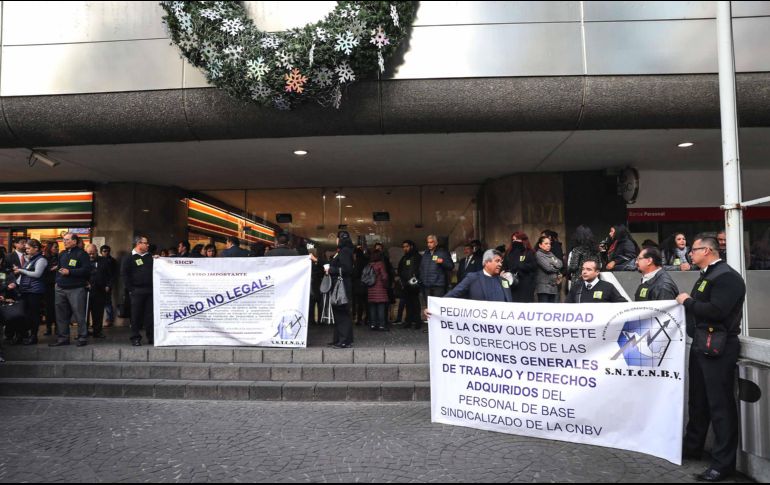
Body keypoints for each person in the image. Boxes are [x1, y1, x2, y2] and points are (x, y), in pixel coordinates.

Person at [676, 234, 746, 482]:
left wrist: (688, 302)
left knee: (720, 405)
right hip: (702, 345)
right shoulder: (707, 275)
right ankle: (693, 446)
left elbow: (716, 311)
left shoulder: (727, 277)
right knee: (698, 400)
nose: (690, 254)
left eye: (693, 250)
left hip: (718, 348)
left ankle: (722, 464)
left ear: (706, 250)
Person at [49, 233, 91, 347]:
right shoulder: (62, 253)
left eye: (67, 239)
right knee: (61, 315)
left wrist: (70, 272)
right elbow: (59, 268)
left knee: (79, 314)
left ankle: (82, 337)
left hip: (76, 288)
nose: (64, 241)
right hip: (60, 288)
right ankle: (63, 338)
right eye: (64, 239)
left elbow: (87, 270)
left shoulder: (82, 254)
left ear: (74, 241)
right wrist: (57, 281)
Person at [121, 235, 155, 346]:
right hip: (137, 291)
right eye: (145, 243)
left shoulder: (150, 257)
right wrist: (131, 289)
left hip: (150, 291)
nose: (147, 245)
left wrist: (160, 260)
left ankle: (151, 337)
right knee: (136, 315)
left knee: (150, 315)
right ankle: (135, 337)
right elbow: (124, 275)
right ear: (139, 244)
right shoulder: (129, 257)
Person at [445, 249, 513, 302]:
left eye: (501, 262)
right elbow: (453, 294)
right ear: (486, 262)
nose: (500, 264)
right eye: (497, 261)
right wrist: (436, 306)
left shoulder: (504, 281)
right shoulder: (472, 278)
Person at [14, 239, 47, 345]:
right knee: (23, 313)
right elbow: (26, 274)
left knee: (34, 315)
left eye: (28, 248)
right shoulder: (31, 259)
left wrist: (21, 270)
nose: (26, 250)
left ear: (36, 248)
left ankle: (33, 336)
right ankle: (23, 335)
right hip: (26, 290)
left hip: (35, 291)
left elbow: (37, 274)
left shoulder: (41, 260)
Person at [419, 235, 454, 328]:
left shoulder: (443, 253)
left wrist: (442, 261)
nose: (429, 244)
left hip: (438, 285)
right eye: (428, 242)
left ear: (436, 243)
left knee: (438, 308)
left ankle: (439, 328)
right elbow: (421, 268)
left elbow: (451, 266)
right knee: (429, 308)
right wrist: (421, 279)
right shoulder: (426, 254)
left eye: (431, 242)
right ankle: (431, 328)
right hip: (427, 285)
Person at [327, 231, 354, 349]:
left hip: (342, 287)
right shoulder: (345, 251)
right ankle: (340, 339)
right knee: (340, 313)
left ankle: (343, 341)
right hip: (342, 286)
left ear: (339, 239)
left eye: (337, 238)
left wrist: (331, 270)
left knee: (341, 312)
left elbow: (346, 269)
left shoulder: (344, 251)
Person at [85, 244, 112, 339]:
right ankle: (84, 331)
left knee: (98, 313)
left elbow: (109, 275)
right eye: (89, 254)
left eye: (93, 253)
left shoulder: (104, 261)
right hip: (86, 291)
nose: (91, 256)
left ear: (97, 252)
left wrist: (108, 285)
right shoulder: (83, 260)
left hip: (100, 290)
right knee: (84, 312)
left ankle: (97, 332)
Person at [503, 232, 537, 303]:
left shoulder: (529, 252)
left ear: (523, 240)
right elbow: (505, 266)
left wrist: (521, 266)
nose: (515, 241)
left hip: (526, 285)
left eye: (517, 239)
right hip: (512, 283)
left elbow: (533, 266)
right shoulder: (508, 252)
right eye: (513, 240)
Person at [397, 240, 422, 330]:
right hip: (406, 285)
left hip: (414, 284)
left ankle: (417, 322)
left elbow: (420, 270)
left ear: (411, 246)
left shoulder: (418, 257)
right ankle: (409, 321)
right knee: (408, 304)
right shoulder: (404, 258)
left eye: (406, 246)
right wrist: (403, 281)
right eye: (404, 247)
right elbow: (400, 270)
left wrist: (416, 280)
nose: (405, 248)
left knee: (415, 303)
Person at [534, 235, 563, 303]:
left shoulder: (551, 254)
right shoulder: (538, 254)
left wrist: (552, 263)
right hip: (543, 288)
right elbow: (548, 268)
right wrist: (555, 265)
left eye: (549, 244)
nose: (548, 245)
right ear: (540, 245)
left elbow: (560, 264)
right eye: (546, 243)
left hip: (553, 288)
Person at [366, 249, 390, 331]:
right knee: (380, 308)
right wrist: (386, 283)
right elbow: (384, 276)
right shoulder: (381, 264)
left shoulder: (369, 265)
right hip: (380, 289)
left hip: (371, 289)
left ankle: (373, 324)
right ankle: (381, 325)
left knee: (372, 308)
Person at [43, 241, 60, 335]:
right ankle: (48, 328)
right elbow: (43, 271)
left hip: (58, 284)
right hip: (48, 286)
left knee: (58, 307)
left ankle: (58, 327)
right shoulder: (44, 258)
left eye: (57, 247)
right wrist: (55, 268)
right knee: (48, 308)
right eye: (55, 247)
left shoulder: (60, 257)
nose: (57, 248)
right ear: (50, 248)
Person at [100, 245, 117, 327]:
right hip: (99, 284)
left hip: (107, 285)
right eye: (104, 251)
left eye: (107, 251)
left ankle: (109, 320)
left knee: (107, 303)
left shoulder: (112, 261)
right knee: (99, 303)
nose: (106, 253)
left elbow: (113, 275)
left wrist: (108, 285)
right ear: (101, 252)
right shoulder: (99, 260)